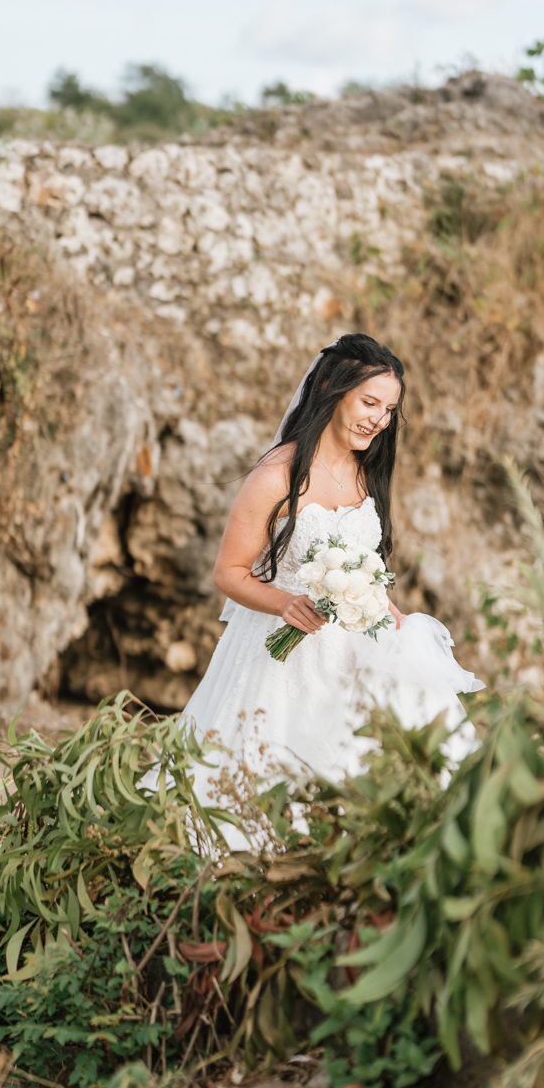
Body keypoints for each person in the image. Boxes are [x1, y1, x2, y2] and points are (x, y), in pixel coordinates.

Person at [183, 333, 482, 791]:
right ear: (330, 389)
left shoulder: (365, 472)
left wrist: (391, 614)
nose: (379, 420)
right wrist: (285, 603)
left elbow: (364, 568)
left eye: (389, 409)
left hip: (359, 649)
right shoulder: (277, 476)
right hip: (287, 656)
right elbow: (228, 572)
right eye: (369, 403)